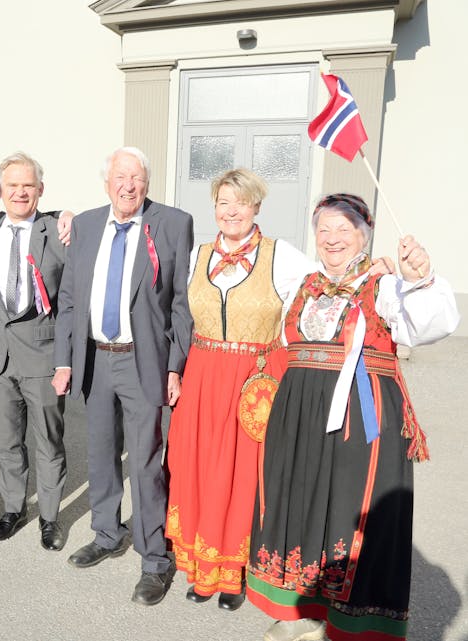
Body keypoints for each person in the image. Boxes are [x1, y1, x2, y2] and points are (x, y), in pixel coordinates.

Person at [247, 194, 459, 641]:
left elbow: (431, 324)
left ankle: (352, 622)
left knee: (350, 512)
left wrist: (421, 280)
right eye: (324, 229)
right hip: (301, 416)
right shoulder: (305, 284)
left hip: (360, 419)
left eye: (344, 228)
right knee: (300, 507)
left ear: (364, 234)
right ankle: (301, 610)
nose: (332, 238)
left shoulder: (384, 284)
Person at [164, 169, 316, 611]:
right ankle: (201, 568)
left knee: (241, 473)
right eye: (223, 202)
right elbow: (176, 313)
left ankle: (233, 574)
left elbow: (316, 298)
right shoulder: (198, 254)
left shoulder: (281, 255)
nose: (231, 211)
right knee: (197, 467)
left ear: (256, 208)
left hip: (253, 380)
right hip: (202, 374)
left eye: (240, 202)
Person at [52, 146, 194, 606]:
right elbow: (69, 298)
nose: (128, 185)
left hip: (144, 361)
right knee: (100, 453)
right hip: (95, 358)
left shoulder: (173, 224)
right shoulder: (88, 225)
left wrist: (176, 364)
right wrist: (65, 359)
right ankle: (107, 533)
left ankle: (155, 559)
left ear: (146, 183)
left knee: (146, 463)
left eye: (136, 177)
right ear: (107, 182)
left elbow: (180, 304)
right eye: (120, 177)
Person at [0, 152, 68, 550]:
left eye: (27, 185)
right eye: (12, 186)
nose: (20, 192)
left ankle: (50, 517)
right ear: (0, 191)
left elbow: (71, 301)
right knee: (7, 441)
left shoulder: (57, 231)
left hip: (43, 356)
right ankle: (13, 508)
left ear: (40, 191)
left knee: (48, 440)